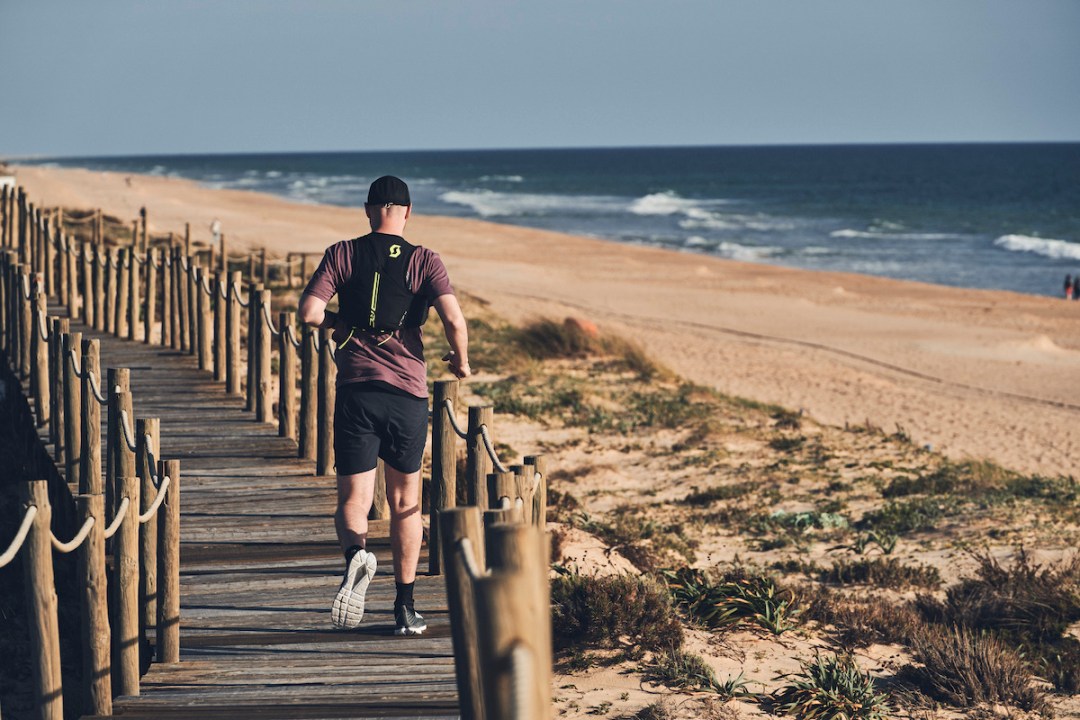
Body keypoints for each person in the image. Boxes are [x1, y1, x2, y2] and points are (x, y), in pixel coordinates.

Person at [299, 176, 471, 635]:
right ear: (408, 213)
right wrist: (461, 362)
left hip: (357, 392)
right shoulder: (424, 260)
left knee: (354, 500)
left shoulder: (343, 253)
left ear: (368, 210)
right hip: (407, 397)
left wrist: (340, 322)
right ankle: (405, 607)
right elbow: (454, 319)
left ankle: (358, 557)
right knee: (404, 503)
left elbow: (309, 313)